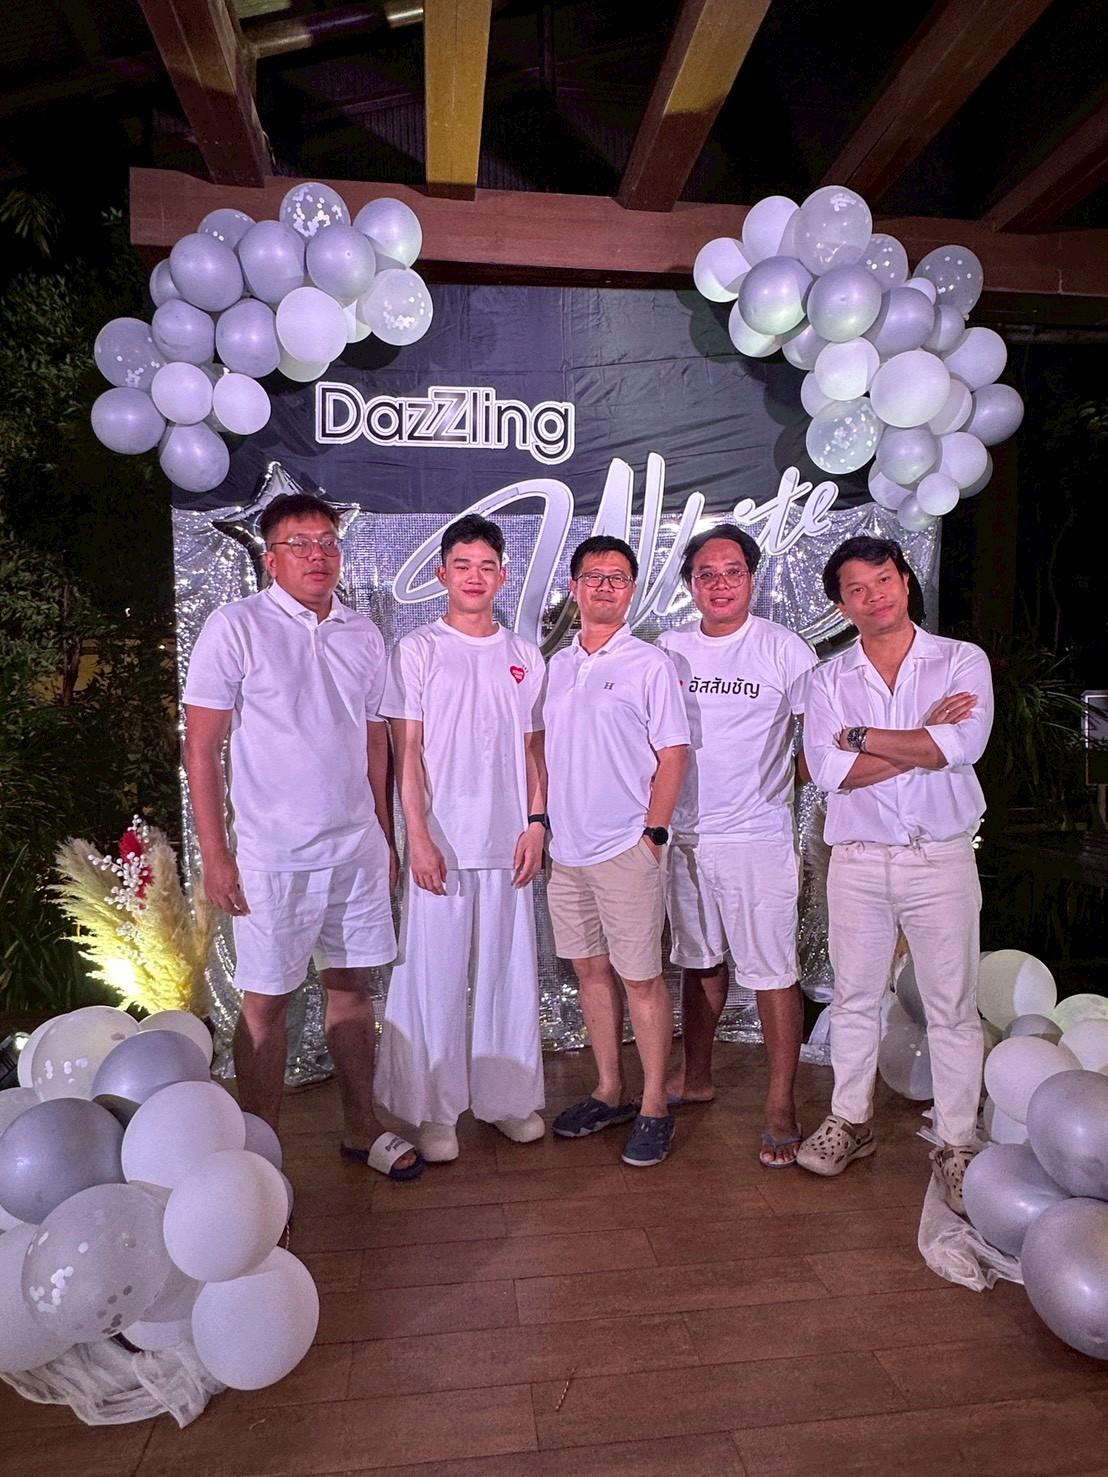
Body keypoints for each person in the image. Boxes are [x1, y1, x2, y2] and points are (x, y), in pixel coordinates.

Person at [183, 490, 423, 1181]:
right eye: (300, 543)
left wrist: (385, 837)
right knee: (266, 1003)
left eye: (328, 542)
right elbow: (202, 747)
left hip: (355, 848)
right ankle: (259, 1153)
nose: (318, 555)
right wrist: (216, 855)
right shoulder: (236, 626)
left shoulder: (362, 633)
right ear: (270, 558)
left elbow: (375, 743)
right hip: (273, 854)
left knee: (352, 987)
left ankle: (361, 1125)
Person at [797, 535, 993, 1213]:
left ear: (906, 582)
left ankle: (958, 1141)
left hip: (940, 857)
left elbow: (961, 746)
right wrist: (920, 737)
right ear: (842, 606)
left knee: (952, 1007)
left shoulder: (960, 660)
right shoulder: (828, 679)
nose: (874, 595)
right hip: (857, 860)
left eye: (884, 580)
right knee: (853, 998)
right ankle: (850, 1121)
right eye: (857, 589)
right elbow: (827, 773)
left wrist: (861, 738)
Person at [374, 513, 547, 1163]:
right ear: (442, 573)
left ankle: (507, 1100)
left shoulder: (524, 655)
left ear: (503, 575)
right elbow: (407, 753)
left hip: (508, 842)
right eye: (462, 565)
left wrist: (536, 823)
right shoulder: (418, 649)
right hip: (442, 844)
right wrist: (418, 835)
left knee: (508, 973)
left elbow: (534, 752)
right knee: (434, 977)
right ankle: (436, 1109)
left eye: (487, 566)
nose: (475, 577)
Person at [658, 524, 817, 1167]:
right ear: (690, 585)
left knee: (773, 971)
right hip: (685, 834)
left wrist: (778, 786)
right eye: (706, 574)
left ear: (752, 579)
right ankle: (696, 1077)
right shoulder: (669, 649)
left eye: (732, 572)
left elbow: (821, 732)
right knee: (699, 962)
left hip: (756, 836)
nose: (720, 584)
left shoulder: (783, 648)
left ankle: (781, 1105)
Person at [543, 535, 690, 1167]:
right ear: (574, 588)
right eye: (594, 576)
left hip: (626, 847)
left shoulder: (649, 664)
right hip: (568, 852)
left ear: (631, 590)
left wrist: (652, 835)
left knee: (642, 979)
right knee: (589, 972)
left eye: (618, 578)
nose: (605, 586)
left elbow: (674, 753)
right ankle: (610, 1090)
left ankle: (654, 1105)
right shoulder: (554, 665)